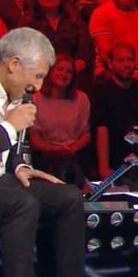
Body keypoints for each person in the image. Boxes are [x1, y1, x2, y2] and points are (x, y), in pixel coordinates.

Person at [0, 27, 128, 277]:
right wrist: (7, 128)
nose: (38, 86)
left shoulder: (21, 94)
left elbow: (11, 150)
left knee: (67, 197)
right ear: (13, 64)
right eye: (37, 75)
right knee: (21, 205)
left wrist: (19, 165)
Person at [91, 42, 138, 179]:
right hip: (115, 156)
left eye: (130, 59)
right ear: (110, 64)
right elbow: (102, 129)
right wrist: (104, 167)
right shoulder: (102, 90)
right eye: (121, 60)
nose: (127, 65)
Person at [30, 54, 90, 185]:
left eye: (69, 72)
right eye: (60, 69)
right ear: (50, 71)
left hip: (73, 154)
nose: (64, 74)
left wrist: (72, 148)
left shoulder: (81, 98)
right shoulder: (35, 99)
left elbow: (86, 133)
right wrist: (53, 150)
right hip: (45, 157)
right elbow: (34, 139)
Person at [21, 0, 90, 77]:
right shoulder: (28, 22)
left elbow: (84, 47)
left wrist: (75, 66)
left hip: (72, 72)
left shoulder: (72, 15)